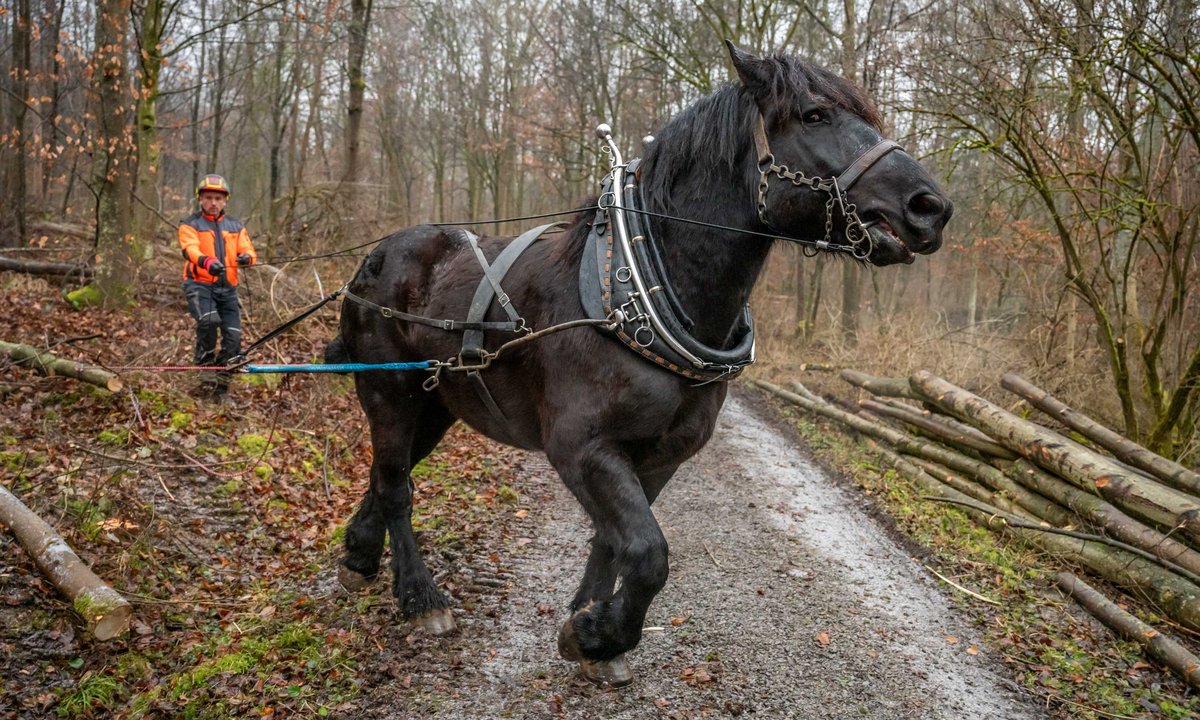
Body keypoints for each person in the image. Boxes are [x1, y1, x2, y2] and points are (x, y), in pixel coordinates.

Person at [178, 174, 257, 399]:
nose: (213, 202)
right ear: (200, 199)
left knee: (233, 339)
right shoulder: (189, 224)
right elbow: (189, 249)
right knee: (209, 321)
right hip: (199, 286)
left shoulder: (235, 226)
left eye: (218, 198)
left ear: (225, 201)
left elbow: (250, 251)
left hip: (228, 290)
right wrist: (206, 261)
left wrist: (246, 259)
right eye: (209, 197)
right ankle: (204, 367)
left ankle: (222, 388)